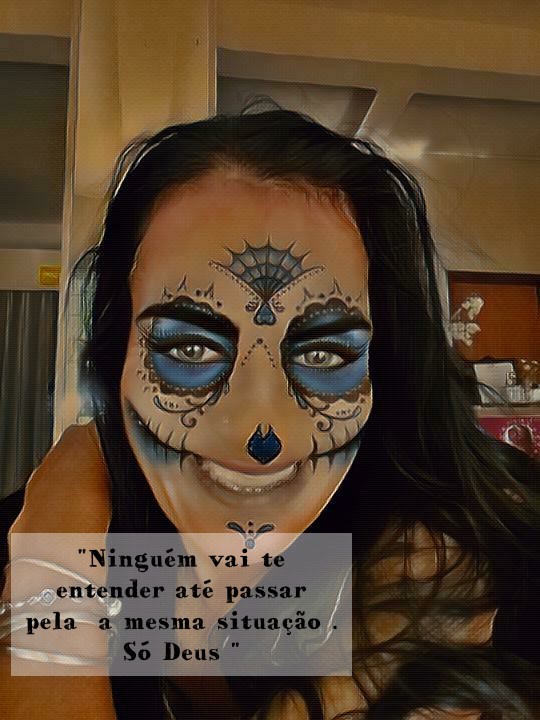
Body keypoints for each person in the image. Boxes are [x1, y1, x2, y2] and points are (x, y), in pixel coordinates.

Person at [1, 109, 539, 719]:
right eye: (191, 349)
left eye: (324, 353)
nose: (262, 439)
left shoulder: (502, 557)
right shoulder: (41, 532)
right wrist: (56, 557)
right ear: (116, 348)